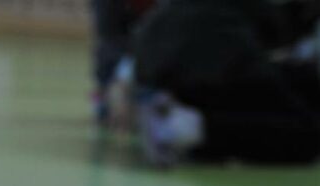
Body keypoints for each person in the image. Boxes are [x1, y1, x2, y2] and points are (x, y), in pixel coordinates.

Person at [90, 0, 320, 165]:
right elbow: (274, 26)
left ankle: (177, 120)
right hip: (215, 60)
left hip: (159, 62)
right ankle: (182, 129)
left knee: (304, 80)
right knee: (306, 136)